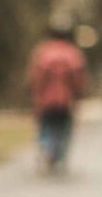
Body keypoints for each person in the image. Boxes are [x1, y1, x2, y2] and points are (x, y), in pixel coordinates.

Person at [26, 24, 89, 174]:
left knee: (46, 126)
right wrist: (79, 94)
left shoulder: (42, 52)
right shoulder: (73, 53)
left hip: (45, 99)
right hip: (66, 99)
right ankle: (58, 155)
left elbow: (35, 77)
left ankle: (47, 148)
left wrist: (35, 94)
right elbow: (78, 78)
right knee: (64, 128)